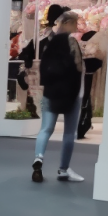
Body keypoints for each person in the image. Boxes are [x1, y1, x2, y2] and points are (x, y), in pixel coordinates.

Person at [32, 12, 85, 183]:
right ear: (68, 23)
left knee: (46, 129)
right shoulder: (72, 43)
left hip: (51, 92)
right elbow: (78, 68)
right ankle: (63, 169)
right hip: (70, 93)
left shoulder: (50, 42)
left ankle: (38, 158)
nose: (77, 27)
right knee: (69, 132)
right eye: (75, 23)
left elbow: (44, 68)